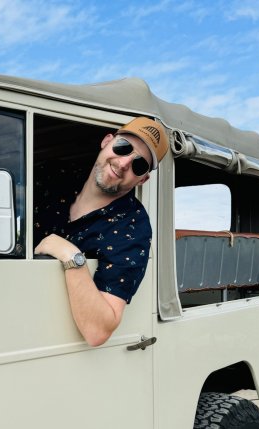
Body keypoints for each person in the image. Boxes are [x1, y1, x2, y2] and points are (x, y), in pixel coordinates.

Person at [34, 117, 168, 346]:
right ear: (107, 141)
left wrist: (71, 255)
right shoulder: (52, 175)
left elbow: (97, 331)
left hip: (51, 339)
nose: (124, 163)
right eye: (123, 147)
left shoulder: (132, 227)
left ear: (143, 179)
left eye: (138, 165)